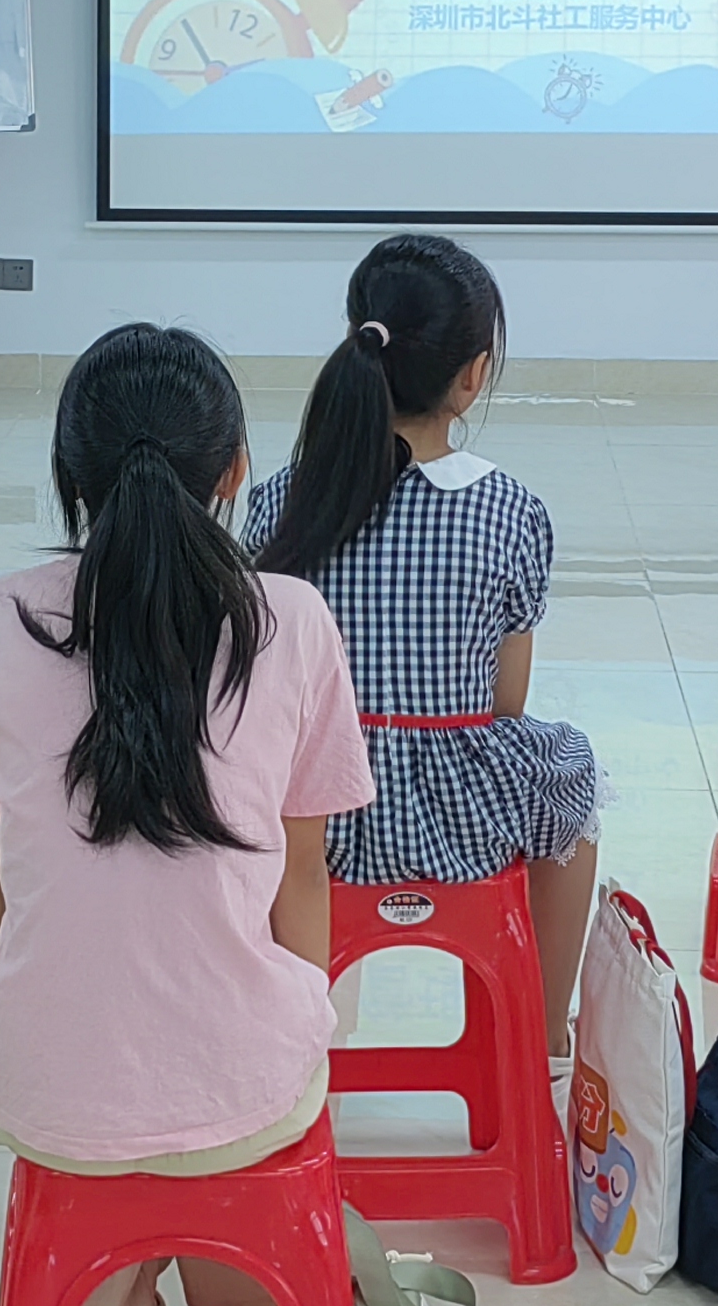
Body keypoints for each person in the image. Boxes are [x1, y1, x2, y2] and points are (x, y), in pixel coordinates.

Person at [0, 324, 374, 1306]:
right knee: (258, 1074)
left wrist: (42, 1014)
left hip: (44, 1077)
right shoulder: (291, 621)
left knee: (100, 1281)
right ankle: (250, 1295)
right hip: (245, 1084)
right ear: (237, 471)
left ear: (66, 475)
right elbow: (303, 877)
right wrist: (285, 1029)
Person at [246, 233, 601, 1045]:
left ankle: (284, 1031)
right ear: (472, 375)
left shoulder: (278, 504)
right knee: (571, 790)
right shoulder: (511, 511)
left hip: (312, 825)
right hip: (462, 821)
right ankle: (541, 1040)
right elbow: (504, 706)